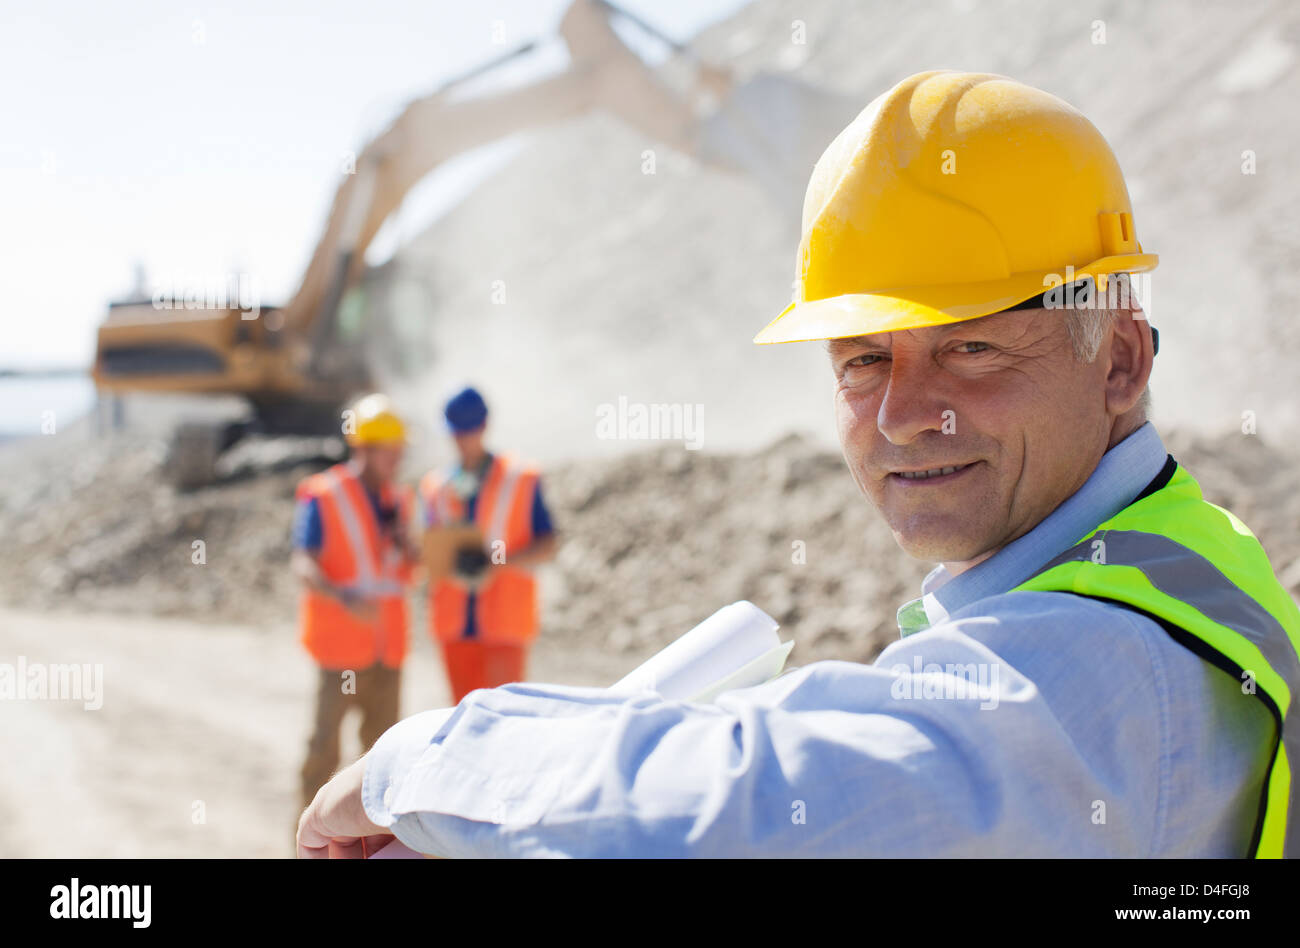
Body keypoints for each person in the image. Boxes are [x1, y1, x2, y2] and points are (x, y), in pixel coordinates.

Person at [298, 71, 1300, 858]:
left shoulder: (1109, 655)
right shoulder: (1167, 560)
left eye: (970, 348)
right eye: (862, 359)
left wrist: (429, 765)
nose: (901, 415)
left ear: (1118, 359)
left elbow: (770, 804)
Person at [291, 393, 417, 812]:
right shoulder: (323, 494)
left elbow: (402, 569)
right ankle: (307, 842)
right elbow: (303, 562)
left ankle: (370, 846)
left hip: (388, 647)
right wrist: (344, 598)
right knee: (325, 747)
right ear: (362, 448)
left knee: (383, 757)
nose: (397, 461)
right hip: (340, 649)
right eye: (389, 452)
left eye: (400, 452)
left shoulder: (399, 501)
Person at [420, 387, 558, 703]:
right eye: (456, 433)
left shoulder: (520, 477)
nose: (461, 441)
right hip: (454, 625)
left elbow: (548, 544)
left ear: (484, 426)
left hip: (504, 623)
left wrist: (498, 562)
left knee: (504, 720)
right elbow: (428, 548)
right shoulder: (436, 487)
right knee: (463, 718)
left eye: (467, 432)